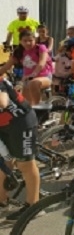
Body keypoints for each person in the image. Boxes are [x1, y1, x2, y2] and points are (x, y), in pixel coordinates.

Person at [0, 76, 41, 221]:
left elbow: (3, 102)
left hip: (21, 122)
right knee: (4, 162)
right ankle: (2, 199)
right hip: (3, 124)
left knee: (25, 165)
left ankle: (33, 206)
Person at [0, 30, 53, 106]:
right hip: (27, 80)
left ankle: (38, 108)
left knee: (34, 83)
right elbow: (6, 66)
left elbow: (41, 63)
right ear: (20, 41)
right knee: (26, 105)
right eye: (25, 41)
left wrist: (33, 75)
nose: (28, 43)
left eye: (30, 40)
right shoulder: (18, 52)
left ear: (35, 40)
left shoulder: (41, 48)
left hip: (44, 77)